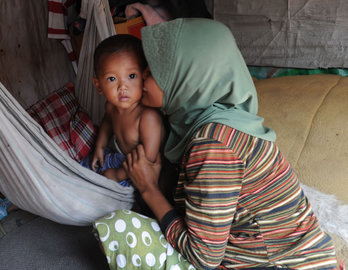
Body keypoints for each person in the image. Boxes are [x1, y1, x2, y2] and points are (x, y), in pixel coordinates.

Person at [94, 18, 342, 269]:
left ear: (187, 78)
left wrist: (148, 188)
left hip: (281, 265)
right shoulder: (223, 115)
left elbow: (204, 258)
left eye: (150, 73)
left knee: (118, 227)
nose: (141, 82)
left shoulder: (213, 145)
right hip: (291, 252)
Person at [80, 34, 165, 187]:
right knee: (81, 174)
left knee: (103, 196)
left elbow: (148, 160)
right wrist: (100, 146)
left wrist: (118, 175)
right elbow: (107, 122)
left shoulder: (148, 117)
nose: (122, 87)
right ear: (98, 85)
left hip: (138, 172)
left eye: (132, 76)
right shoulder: (111, 106)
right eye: (112, 79)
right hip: (116, 157)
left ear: (144, 76)